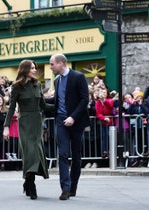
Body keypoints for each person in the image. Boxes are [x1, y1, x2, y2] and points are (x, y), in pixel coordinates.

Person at [3, 59, 54, 200]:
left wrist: (60, 106)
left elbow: (44, 105)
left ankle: (28, 181)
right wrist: (6, 127)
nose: (34, 70)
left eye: (35, 68)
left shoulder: (38, 85)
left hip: (37, 122)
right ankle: (31, 184)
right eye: (32, 68)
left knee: (36, 152)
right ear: (25, 69)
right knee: (29, 153)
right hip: (24, 122)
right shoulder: (17, 87)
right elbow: (11, 107)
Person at [48, 53, 90, 200]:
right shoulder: (57, 80)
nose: (50, 67)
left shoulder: (78, 77)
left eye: (52, 64)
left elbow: (85, 99)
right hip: (60, 121)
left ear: (61, 63)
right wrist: (39, 100)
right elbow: (57, 99)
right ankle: (65, 188)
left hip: (77, 121)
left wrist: (73, 117)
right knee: (63, 154)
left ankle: (73, 187)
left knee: (76, 156)